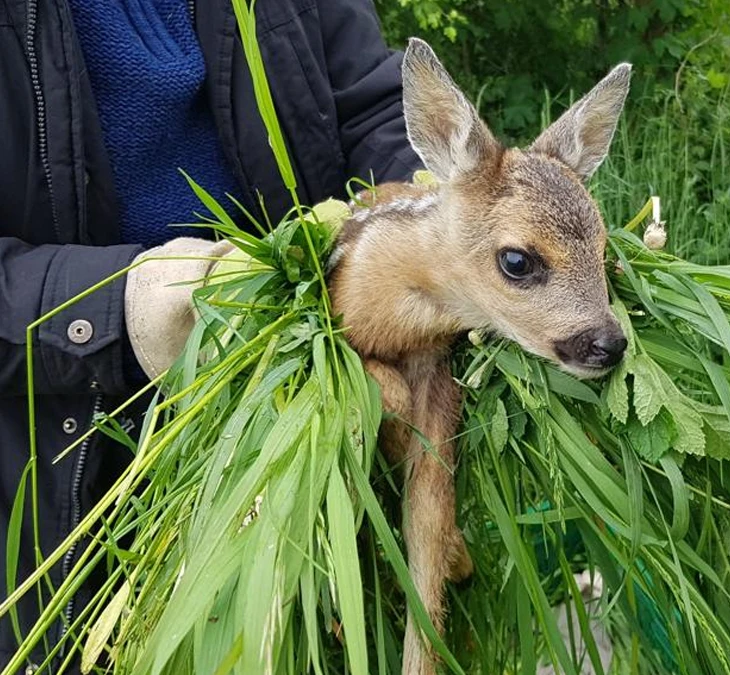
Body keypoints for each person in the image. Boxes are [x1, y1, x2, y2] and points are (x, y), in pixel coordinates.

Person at [0, 0, 421, 670]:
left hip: (298, 424)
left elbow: (371, 106)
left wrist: (453, 219)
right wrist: (112, 307)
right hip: (62, 481)